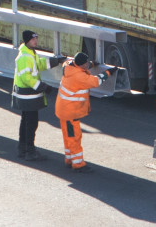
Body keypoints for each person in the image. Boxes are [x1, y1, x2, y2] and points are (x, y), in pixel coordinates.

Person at [55, 51, 112, 173]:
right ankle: (78, 164)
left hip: (64, 110)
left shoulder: (68, 66)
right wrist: (109, 72)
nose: (87, 65)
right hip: (71, 112)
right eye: (86, 63)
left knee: (68, 136)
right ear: (81, 65)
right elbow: (96, 81)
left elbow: (81, 67)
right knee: (74, 137)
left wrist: (91, 64)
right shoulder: (79, 77)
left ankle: (69, 159)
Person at [11, 30, 64, 161]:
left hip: (26, 95)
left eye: (36, 38)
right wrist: (43, 87)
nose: (36, 41)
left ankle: (22, 148)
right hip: (28, 95)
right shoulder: (25, 57)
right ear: (27, 40)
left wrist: (55, 61)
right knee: (31, 123)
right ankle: (30, 151)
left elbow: (38, 65)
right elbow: (27, 78)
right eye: (34, 39)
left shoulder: (30, 53)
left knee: (26, 122)